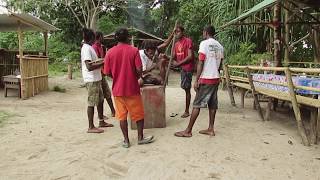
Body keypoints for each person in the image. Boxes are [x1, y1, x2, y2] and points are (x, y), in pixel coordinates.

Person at [103, 28, 154, 148]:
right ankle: (140, 138)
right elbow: (139, 70)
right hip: (132, 88)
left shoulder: (109, 52)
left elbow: (107, 72)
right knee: (139, 115)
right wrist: (134, 76)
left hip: (118, 90)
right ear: (127, 37)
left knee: (122, 117)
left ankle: (126, 141)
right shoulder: (134, 50)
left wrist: (116, 76)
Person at [174, 25, 224, 137]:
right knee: (212, 104)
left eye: (203, 32)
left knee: (197, 104)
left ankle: (188, 131)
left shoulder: (204, 44)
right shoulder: (220, 46)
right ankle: (211, 128)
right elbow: (220, 64)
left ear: (205, 32)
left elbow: (200, 62)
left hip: (206, 78)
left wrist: (197, 80)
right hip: (215, 78)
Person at [81, 28, 113, 133]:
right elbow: (89, 66)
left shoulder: (89, 47)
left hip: (96, 78)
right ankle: (91, 126)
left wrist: (100, 61)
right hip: (91, 79)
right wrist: (103, 62)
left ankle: (101, 121)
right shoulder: (86, 48)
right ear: (91, 38)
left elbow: (92, 63)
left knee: (100, 100)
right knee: (92, 102)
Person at [171, 25, 195, 118]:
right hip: (182, 68)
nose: (177, 33)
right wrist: (166, 58)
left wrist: (178, 64)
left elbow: (190, 56)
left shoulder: (188, 41)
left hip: (188, 68)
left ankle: (187, 111)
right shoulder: (176, 44)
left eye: (178, 31)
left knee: (187, 89)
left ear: (182, 32)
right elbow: (173, 57)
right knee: (185, 87)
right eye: (175, 32)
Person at [92, 31, 116, 117]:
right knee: (101, 95)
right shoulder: (94, 47)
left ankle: (113, 111)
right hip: (98, 73)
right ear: (99, 37)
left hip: (101, 72)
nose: (103, 38)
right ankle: (102, 115)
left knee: (107, 93)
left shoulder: (101, 47)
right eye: (102, 36)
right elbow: (98, 60)